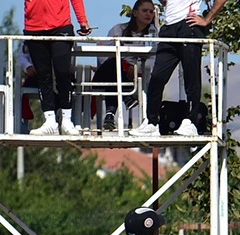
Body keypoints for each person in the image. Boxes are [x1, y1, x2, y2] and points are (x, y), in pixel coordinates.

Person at [131, 0, 225, 138]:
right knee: (157, 77)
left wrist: (206, 20)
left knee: (191, 77)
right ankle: (152, 123)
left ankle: (191, 121)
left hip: (188, 25)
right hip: (169, 28)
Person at [23, 0, 92, 136]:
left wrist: (82, 20)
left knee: (62, 72)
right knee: (43, 75)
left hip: (61, 26)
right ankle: (50, 121)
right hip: (34, 27)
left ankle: (67, 120)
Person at [91, 0, 157, 131]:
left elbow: (154, 59)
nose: (148, 14)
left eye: (151, 11)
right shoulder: (118, 29)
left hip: (134, 79)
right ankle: (126, 96)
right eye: (144, 11)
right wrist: (124, 65)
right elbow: (102, 55)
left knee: (115, 75)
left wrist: (135, 66)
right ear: (135, 13)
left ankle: (110, 113)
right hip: (109, 73)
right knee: (113, 65)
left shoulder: (153, 34)